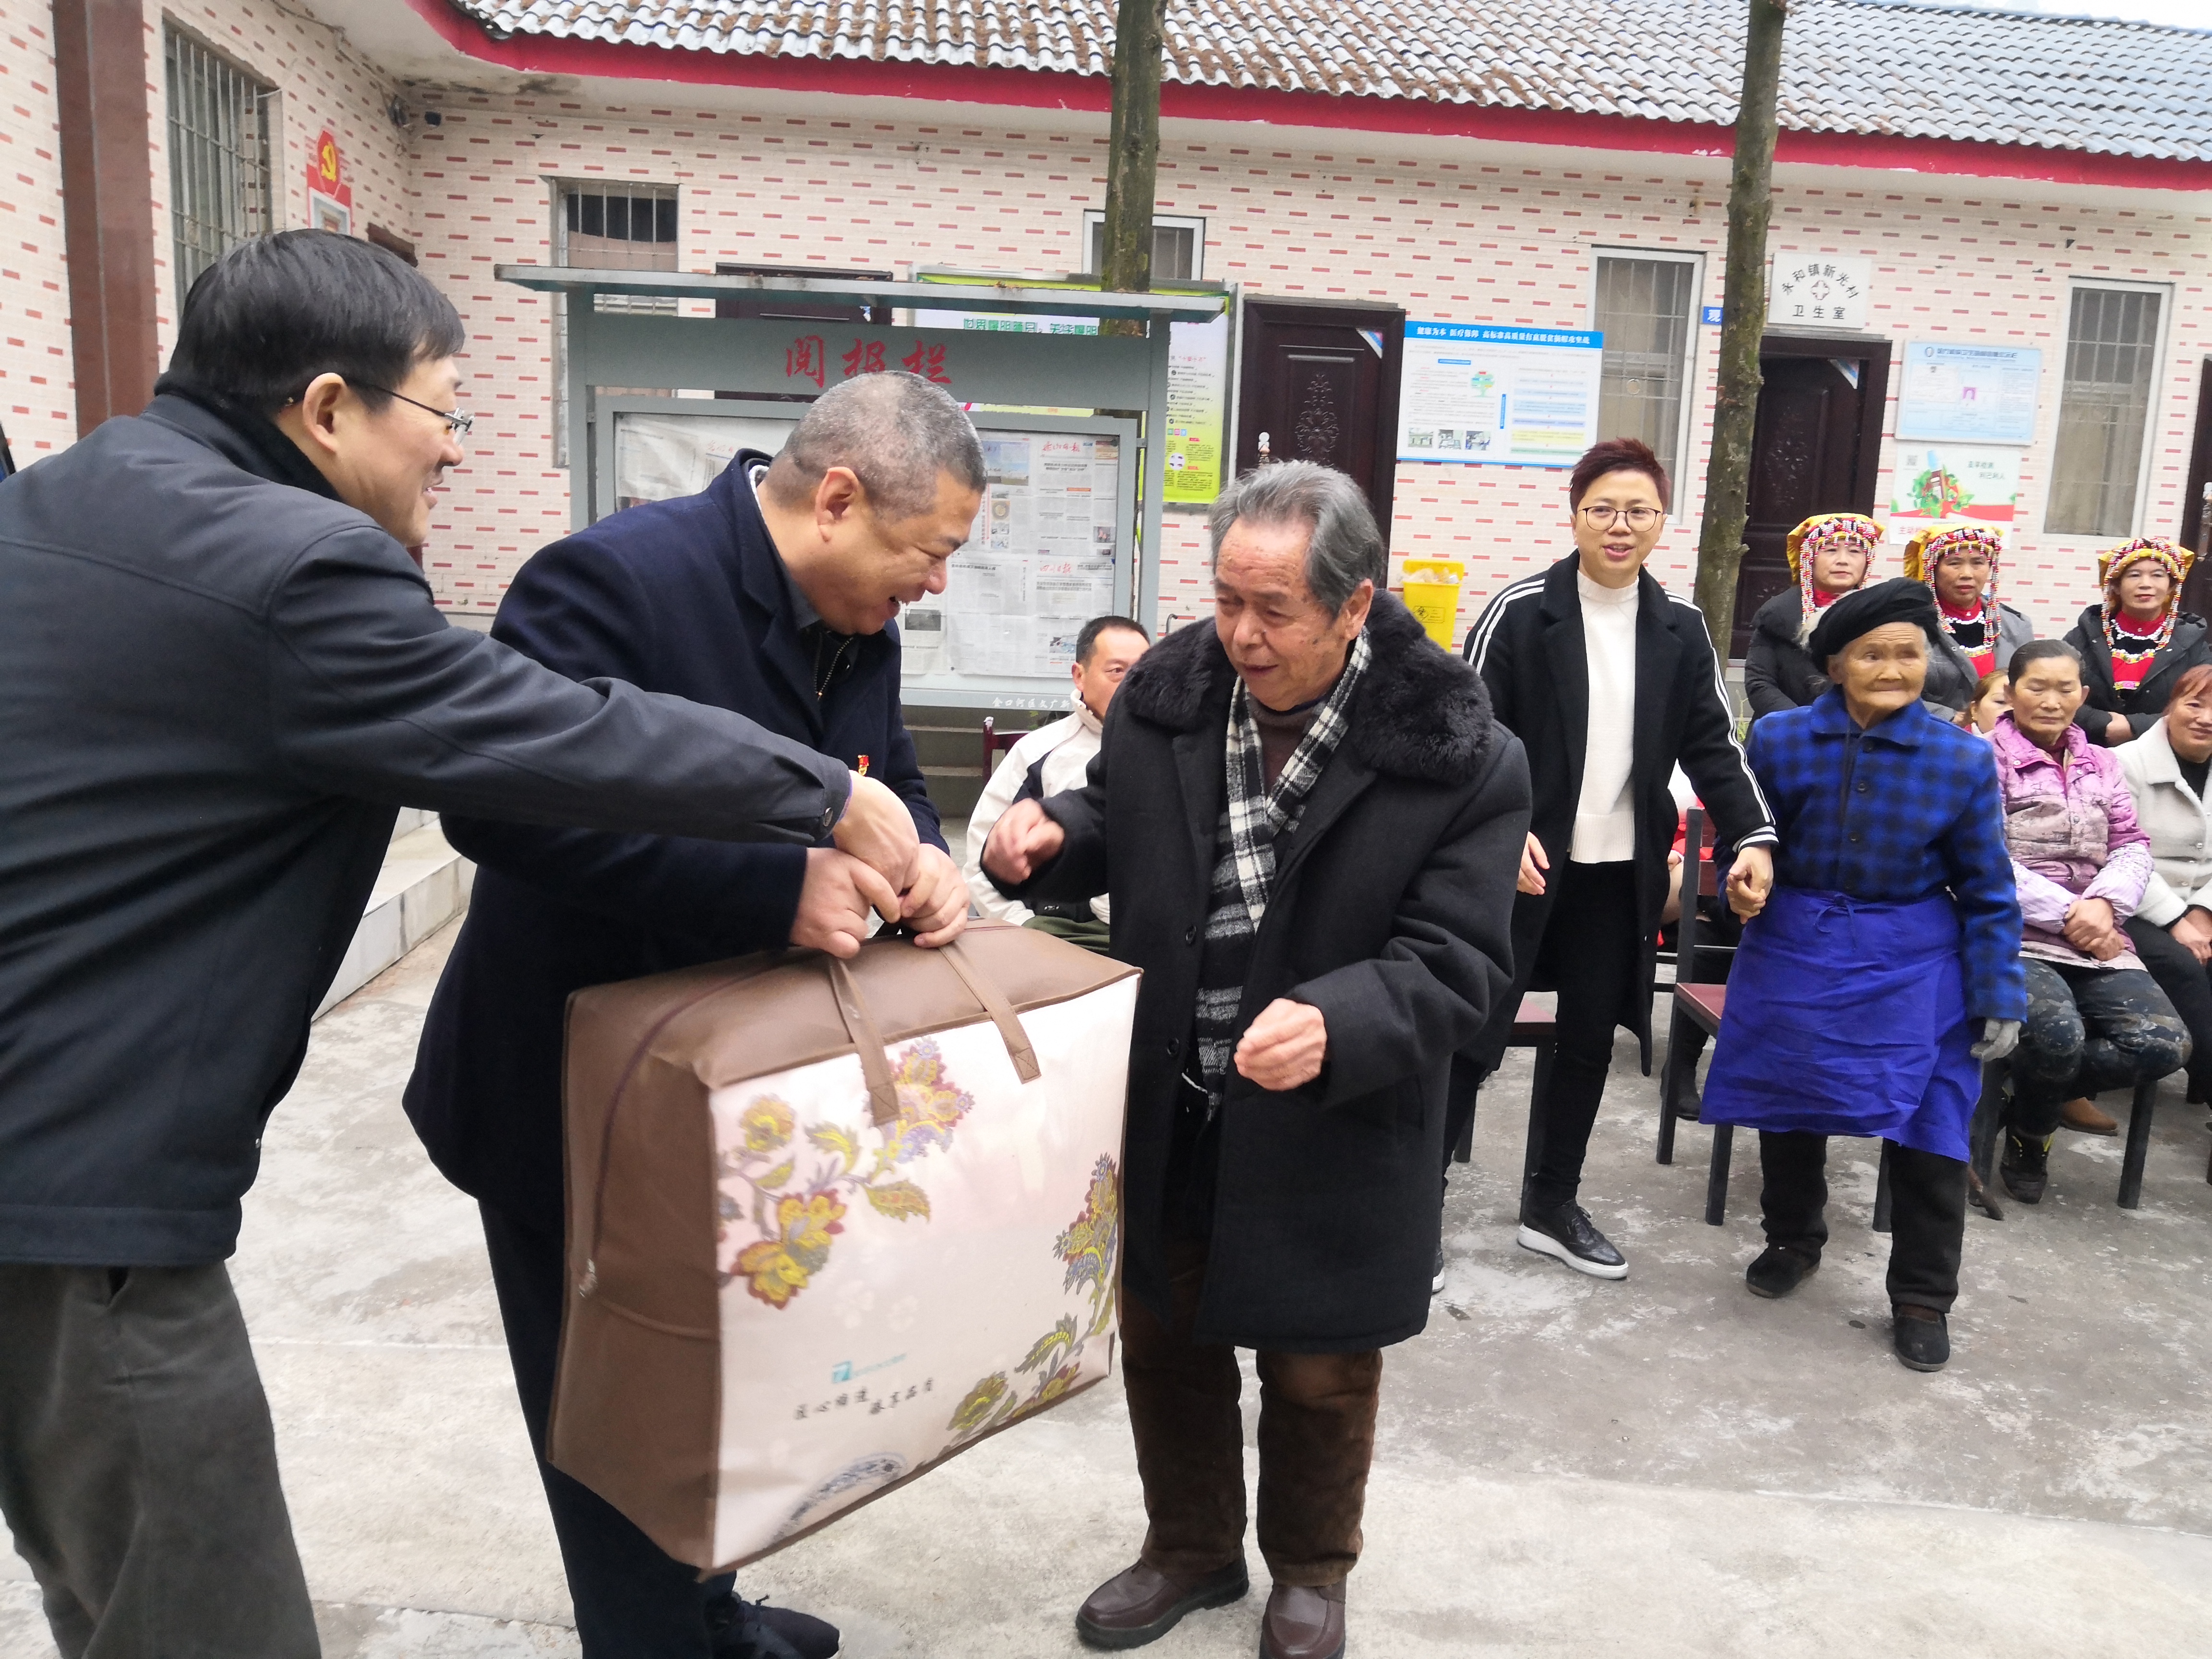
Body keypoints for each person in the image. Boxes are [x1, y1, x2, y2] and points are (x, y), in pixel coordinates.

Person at [0, 231, 924, 1659]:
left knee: (109, 1588)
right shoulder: (301, 567)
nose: (453, 449)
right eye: (442, 410)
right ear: (327, 408)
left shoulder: (62, 501)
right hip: (82, 1187)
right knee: (197, 1617)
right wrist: (817, 805)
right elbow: (540, 746)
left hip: (57, 1160)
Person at [404, 372, 982, 1659]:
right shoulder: (612, 582)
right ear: (839, 499)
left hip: (740, 1101)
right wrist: (774, 886)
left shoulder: (860, 618)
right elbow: (499, 806)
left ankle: (712, 1614)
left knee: (723, 1393)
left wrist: (927, 859)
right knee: (615, 1423)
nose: (936, 583)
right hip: (579, 1102)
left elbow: (884, 781)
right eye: (928, 549)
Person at [982, 462, 1527, 1659]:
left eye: (1274, 609)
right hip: (1175, 1091)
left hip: (1337, 1111)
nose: (1241, 635)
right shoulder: (1167, 701)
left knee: (1319, 1368)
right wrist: (1051, 834)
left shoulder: (1459, 753)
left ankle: (1312, 1570)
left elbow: (1460, 960)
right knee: (1164, 1341)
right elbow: (1118, 821)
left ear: (1354, 604)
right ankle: (1190, 1547)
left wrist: (1342, 1017)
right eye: (1227, 600)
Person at [1461, 436, 1776, 1279]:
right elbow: (1464, 734)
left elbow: (1714, 746)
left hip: (1614, 878)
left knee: (1588, 1038)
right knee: (1468, 1033)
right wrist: (1495, 831)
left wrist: (1753, 837)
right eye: (1602, 508)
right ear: (1575, 516)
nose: (1619, 525)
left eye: (1638, 510)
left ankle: (1550, 1204)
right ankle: (1415, 1208)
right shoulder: (1519, 612)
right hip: (1519, 867)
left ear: (1661, 522)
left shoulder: (1679, 628)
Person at [1699, 581, 2025, 1373]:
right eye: (1872, 654)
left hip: (1914, 961)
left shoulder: (1960, 758)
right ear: (1836, 665)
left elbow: (1988, 888)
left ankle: (1922, 1295)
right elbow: (1747, 839)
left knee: (1931, 1124)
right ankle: (1792, 1238)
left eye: (1908, 654)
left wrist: (1997, 992)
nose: (1892, 669)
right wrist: (1738, 883)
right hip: (1795, 947)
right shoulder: (1778, 740)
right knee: (1787, 1101)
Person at [1991, 641, 2189, 1204]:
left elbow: (2130, 843)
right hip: (2014, 935)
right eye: (2037, 687)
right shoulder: (1981, 760)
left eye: (2065, 689)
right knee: (2058, 1039)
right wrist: (2069, 914)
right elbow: (1981, 857)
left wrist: (2104, 906)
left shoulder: (2102, 762)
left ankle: (2025, 1104)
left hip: (2099, 932)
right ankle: (2032, 1136)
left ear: (2083, 695)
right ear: (2011, 691)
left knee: (2164, 1045)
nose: (2051, 701)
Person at [961, 613, 1149, 951]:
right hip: (1061, 935)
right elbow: (983, 857)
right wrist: (1024, 928)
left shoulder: (1177, 750)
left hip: (1152, 936)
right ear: (1080, 675)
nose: (1132, 684)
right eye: (1117, 671)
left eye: (1142, 671)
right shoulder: (1038, 753)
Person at [2116, 663, 2212, 1109]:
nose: (2206, 719)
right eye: (2195, 704)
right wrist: (2176, 919)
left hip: (2201, 907)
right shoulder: (2125, 763)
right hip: (2134, 904)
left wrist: (2204, 911)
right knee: (2183, 967)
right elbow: (2120, 851)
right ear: (2171, 705)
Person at [2064, 536, 2212, 748]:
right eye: (2134, 575)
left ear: (2171, 586)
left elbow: (2204, 703)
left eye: (2157, 575)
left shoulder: (2193, 644)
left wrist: (2134, 726)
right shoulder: (2082, 637)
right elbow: (2058, 692)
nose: (2146, 584)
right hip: (2083, 750)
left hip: (2161, 752)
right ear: (2116, 586)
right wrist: (2102, 723)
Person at [1743, 512, 1878, 720]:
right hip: (1786, 729)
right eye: (1831, 550)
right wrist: (1802, 723)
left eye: (1854, 551)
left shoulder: (1880, 617)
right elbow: (1760, 682)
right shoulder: (1776, 615)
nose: (1843, 561)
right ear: (1809, 558)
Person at [1905, 522, 2035, 681]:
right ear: (1932, 569)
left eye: (1978, 563)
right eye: (1954, 563)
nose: (1967, 574)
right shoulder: (1910, 624)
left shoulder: (2016, 626)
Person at [1969, 670, 2011, 735]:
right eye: (2000, 702)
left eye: (2019, 704)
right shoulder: (1955, 740)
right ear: (1975, 710)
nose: (2011, 710)